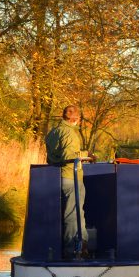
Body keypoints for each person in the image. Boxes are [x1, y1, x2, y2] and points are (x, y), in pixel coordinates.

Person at [45, 105, 93, 258]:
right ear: (74, 119)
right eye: (78, 120)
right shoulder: (69, 133)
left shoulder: (53, 132)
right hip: (71, 178)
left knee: (74, 212)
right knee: (74, 214)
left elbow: (52, 157)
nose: (78, 123)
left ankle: (80, 245)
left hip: (57, 177)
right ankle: (74, 249)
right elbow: (68, 156)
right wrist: (87, 155)